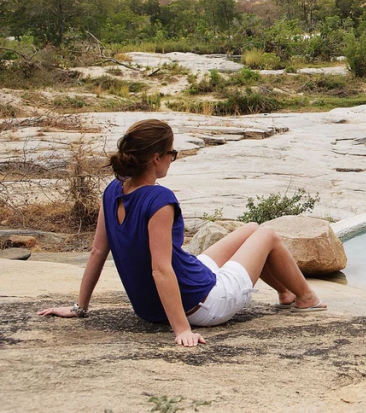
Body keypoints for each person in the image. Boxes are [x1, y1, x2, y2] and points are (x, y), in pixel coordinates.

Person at [38, 119, 326, 347]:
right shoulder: (159, 200)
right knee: (267, 234)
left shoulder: (113, 190)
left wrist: (80, 308)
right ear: (156, 158)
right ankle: (307, 298)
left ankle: (286, 292)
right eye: (172, 154)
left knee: (250, 229)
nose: (172, 159)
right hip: (203, 304)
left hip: (155, 306)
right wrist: (183, 330)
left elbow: (98, 251)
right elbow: (161, 269)